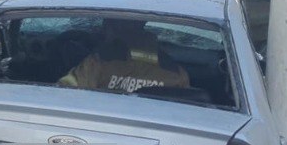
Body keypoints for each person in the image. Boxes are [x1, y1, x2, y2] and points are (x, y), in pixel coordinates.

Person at [58, 18, 190, 92]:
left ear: (112, 29)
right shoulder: (176, 72)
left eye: (105, 26)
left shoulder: (99, 62)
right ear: (142, 24)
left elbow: (66, 94)